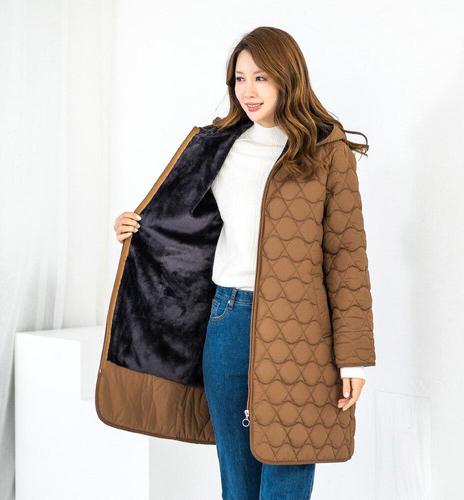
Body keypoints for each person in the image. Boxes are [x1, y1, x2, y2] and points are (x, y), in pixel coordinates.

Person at [112, 26, 375, 500]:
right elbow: (181, 225)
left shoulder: (326, 151)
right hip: (228, 318)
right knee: (237, 478)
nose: (248, 91)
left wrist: (353, 357)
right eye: (240, 78)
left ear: (288, 77)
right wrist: (136, 230)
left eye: (261, 77)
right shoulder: (216, 146)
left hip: (301, 331)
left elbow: (347, 257)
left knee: (287, 469)